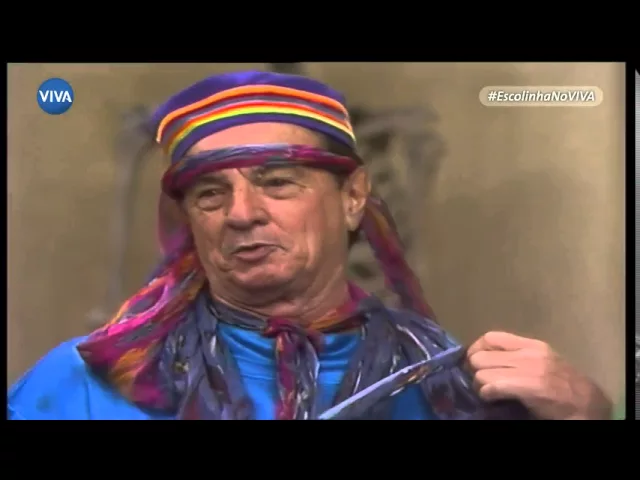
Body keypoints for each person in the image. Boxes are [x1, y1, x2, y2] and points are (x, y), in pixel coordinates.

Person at [7, 71, 612, 420]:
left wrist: (589, 413)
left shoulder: (439, 386)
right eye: (210, 194)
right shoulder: (86, 384)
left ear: (353, 196)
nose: (241, 214)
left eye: (277, 182)